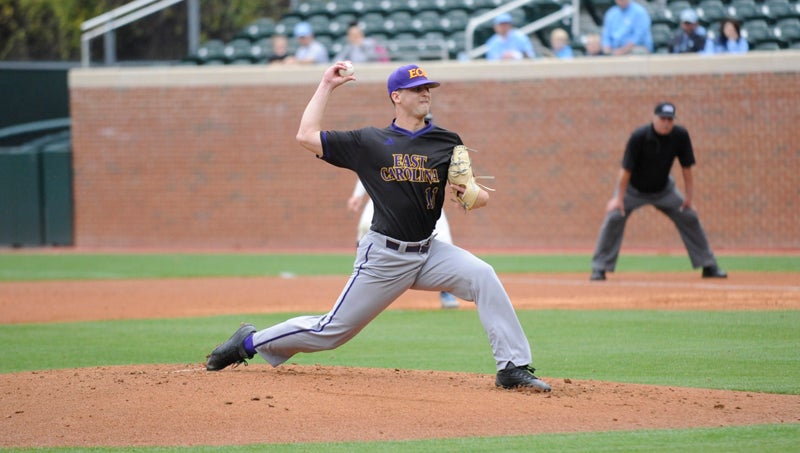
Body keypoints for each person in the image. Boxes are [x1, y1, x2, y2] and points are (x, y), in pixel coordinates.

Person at [205, 62, 551, 392]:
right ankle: (248, 342)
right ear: (396, 96)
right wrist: (327, 85)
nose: (425, 93)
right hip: (385, 256)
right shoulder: (369, 142)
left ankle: (511, 367)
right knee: (331, 332)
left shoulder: (447, 142)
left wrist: (473, 194)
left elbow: (474, 198)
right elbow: (306, 135)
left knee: (482, 275)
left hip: (428, 252)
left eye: (428, 87)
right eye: (416, 88)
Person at [589, 102, 727, 281]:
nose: (666, 123)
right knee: (614, 216)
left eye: (670, 119)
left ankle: (708, 265)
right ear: (654, 118)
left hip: (664, 190)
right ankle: (599, 268)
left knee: (689, 216)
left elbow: (687, 169)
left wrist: (689, 199)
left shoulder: (680, 136)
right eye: (662, 118)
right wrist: (619, 199)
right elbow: (625, 170)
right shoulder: (639, 137)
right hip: (633, 190)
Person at [347, 178, 460, 309]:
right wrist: (357, 195)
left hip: (424, 197)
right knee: (365, 226)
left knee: (443, 238)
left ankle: (446, 293)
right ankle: (362, 284)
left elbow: (451, 167)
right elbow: (367, 164)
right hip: (385, 194)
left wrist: (461, 193)